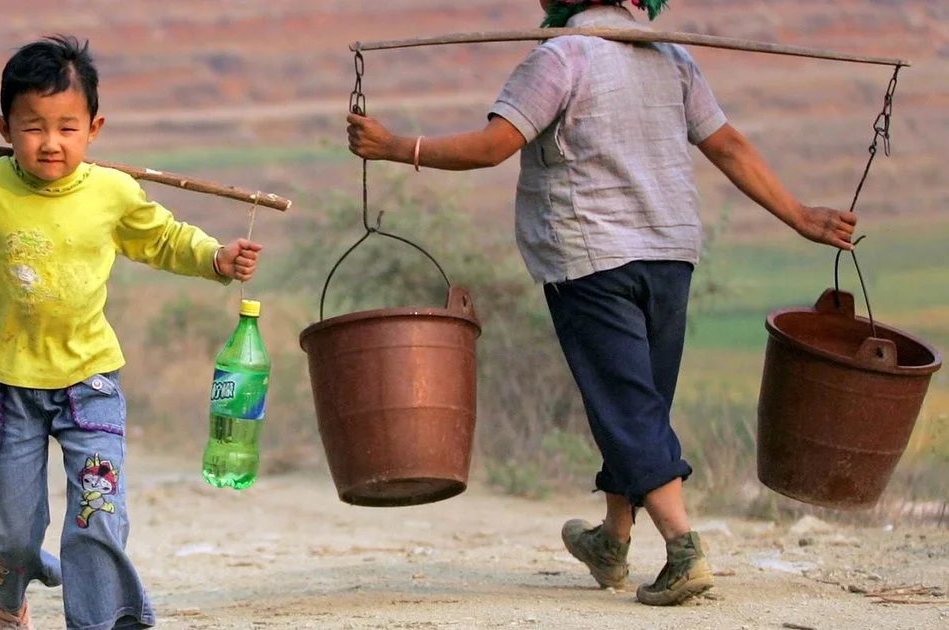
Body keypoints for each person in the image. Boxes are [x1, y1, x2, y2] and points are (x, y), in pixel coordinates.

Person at [347, 0, 857, 607]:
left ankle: (684, 547)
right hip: (670, 255)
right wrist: (799, 215)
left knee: (626, 404)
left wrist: (395, 146)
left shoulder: (560, 58)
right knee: (639, 400)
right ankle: (611, 541)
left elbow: (491, 147)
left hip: (589, 255)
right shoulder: (674, 58)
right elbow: (730, 147)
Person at [0, 35, 262, 630]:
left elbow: (163, 239)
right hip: (2, 389)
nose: (50, 143)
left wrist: (215, 258)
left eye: (67, 128)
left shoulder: (111, 192)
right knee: (15, 534)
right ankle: (11, 599)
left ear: (94, 127)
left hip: (89, 382)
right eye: (33, 127)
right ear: (4, 127)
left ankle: (100, 620)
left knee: (97, 514)